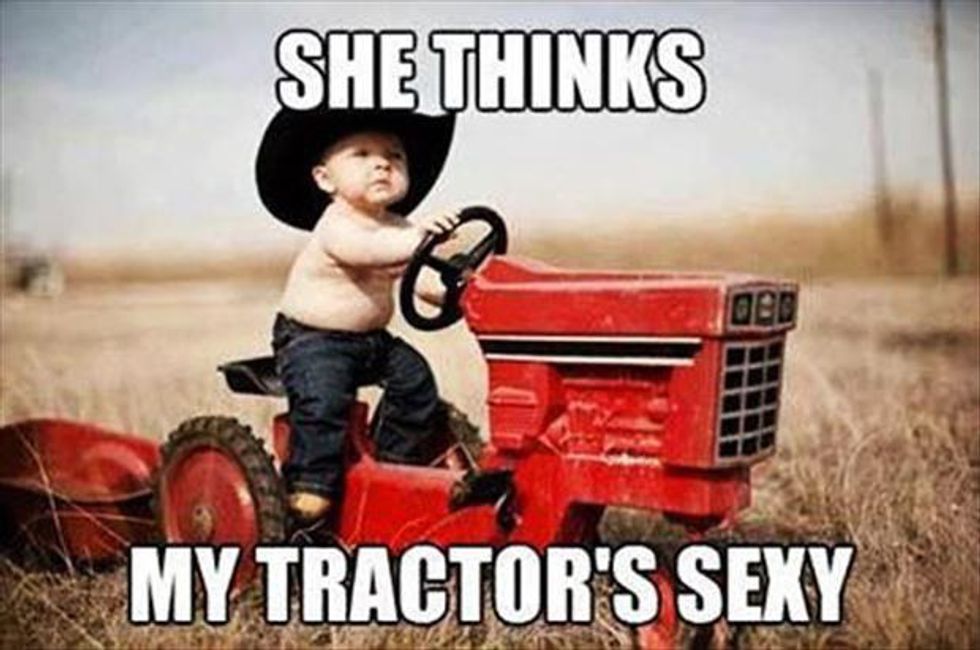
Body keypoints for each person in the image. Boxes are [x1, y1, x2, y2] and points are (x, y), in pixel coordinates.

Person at [255, 107, 458, 522]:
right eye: (362, 154)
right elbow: (370, 251)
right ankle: (310, 487)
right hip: (313, 340)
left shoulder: (398, 228)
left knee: (416, 384)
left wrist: (451, 294)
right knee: (324, 403)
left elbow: (414, 276)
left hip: (372, 342)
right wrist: (423, 238)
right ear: (324, 179)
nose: (382, 163)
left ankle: (393, 463)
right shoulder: (338, 225)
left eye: (394, 155)